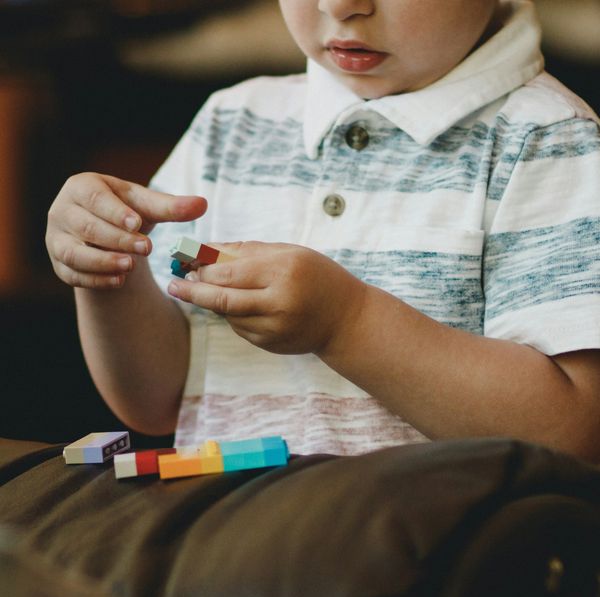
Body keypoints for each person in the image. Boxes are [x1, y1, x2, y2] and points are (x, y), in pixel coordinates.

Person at [45, 0, 600, 460]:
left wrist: (347, 323)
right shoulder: (232, 123)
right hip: (228, 551)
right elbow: (159, 400)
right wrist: (108, 268)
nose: (339, 6)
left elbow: (572, 435)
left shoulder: (547, 142)